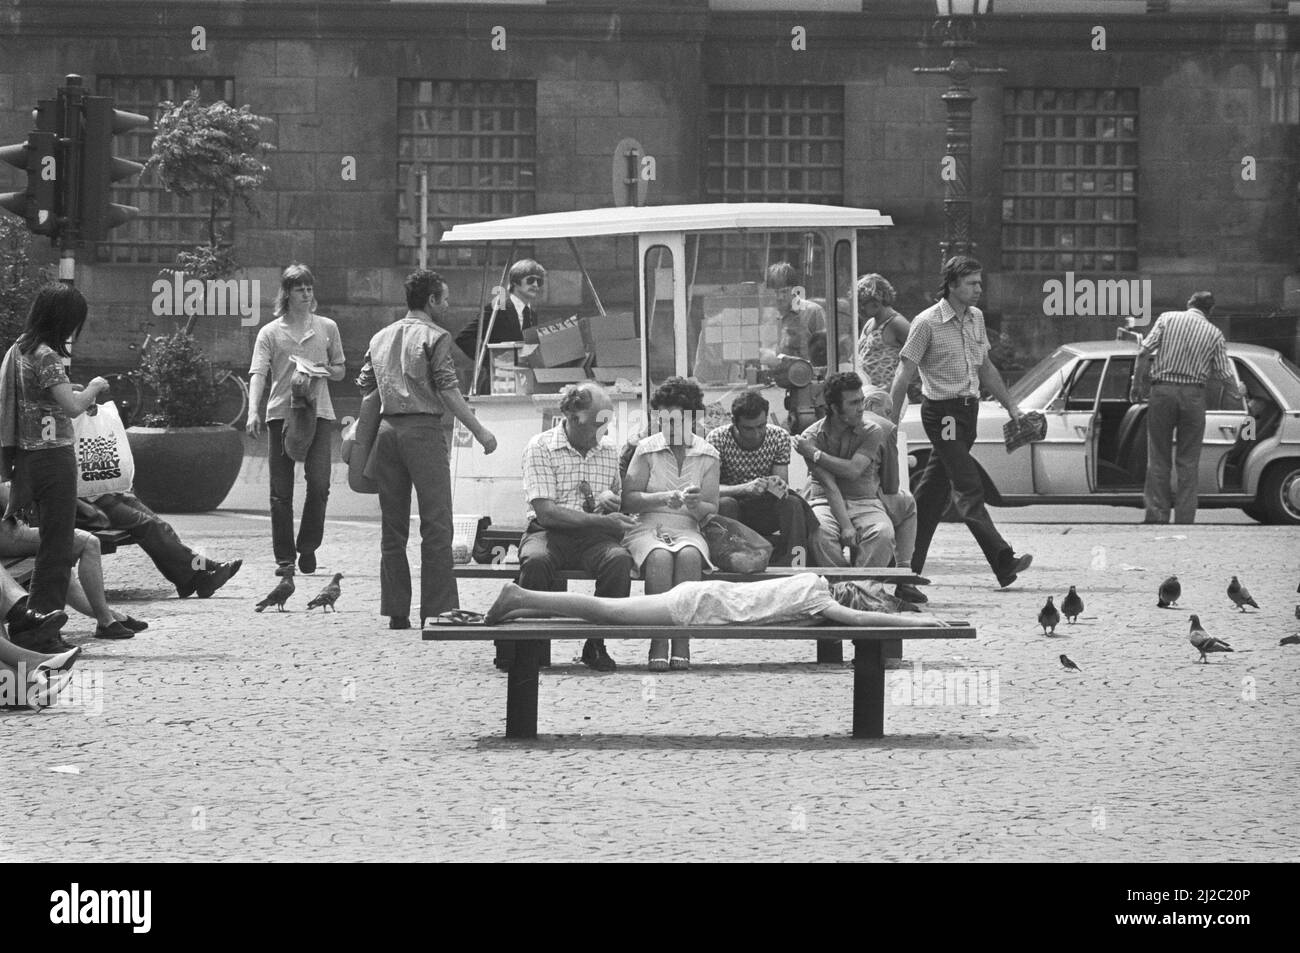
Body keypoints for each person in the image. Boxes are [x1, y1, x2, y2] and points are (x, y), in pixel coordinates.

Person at [357, 269, 498, 629]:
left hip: (388, 432)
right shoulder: (437, 337)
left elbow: (364, 384)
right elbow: (449, 389)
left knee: (393, 526)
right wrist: (480, 431)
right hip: (423, 432)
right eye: (444, 298)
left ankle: (396, 611)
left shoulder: (380, 337)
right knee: (436, 523)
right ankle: (437, 608)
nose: (448, 304)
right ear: (431, 300)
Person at [886, 255, 1033, 589]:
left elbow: (986, 368)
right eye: (972, 283)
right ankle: (1002, 559)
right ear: (952, 285)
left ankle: (903, 569)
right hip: (944, 415)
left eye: (980, 282)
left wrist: (1012, 408)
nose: (979, 289)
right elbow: (903, 372)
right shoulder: (926, 323)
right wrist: (891, 423)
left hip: (968, 412)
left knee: (931, 496)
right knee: (968, 485)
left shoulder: (976, 319)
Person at [503, 382, 637, 673]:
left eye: (608, 423)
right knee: (537, 562)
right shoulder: (541, 447)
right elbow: (547, 513)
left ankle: (597, 643)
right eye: (599, 423)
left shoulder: (608, 451)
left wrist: (613, 504)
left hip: (593, 538)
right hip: (548, 532)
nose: (606, 431)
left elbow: (615, 496)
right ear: (575, 419)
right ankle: (524, 645)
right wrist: (602, 520)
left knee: (618, 561)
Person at [0, 284, 109, 628]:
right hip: (54, 459)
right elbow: (74, 407)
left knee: (51, 541)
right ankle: (41, 622)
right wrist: (94, 387)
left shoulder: (21, 349)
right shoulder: (47, 355)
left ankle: (36, 618)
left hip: (30, 457)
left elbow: (44, 399)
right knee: (58, 546)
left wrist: (69, 391)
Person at [246, 264, 347, 578]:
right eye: (300, 289)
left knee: (319, 484)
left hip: (320, 413)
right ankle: (285, 558)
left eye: (309, 288)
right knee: (280, 490)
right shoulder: (270, 332)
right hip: (281, 413)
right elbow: (258, 373)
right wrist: (253, 411)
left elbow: (342, 369)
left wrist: (323, 370)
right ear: (286, 293)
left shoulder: (327, 327)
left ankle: (308, 546)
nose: (306, 294)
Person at [622, 377, 720, 671]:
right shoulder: (646, 449)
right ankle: (659, 639)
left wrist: (694, 504)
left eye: (676, 420)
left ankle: (682, 639)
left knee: (690, 556)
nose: (668, 427)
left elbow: (710, 507)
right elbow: (628, 500)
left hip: (688, 526)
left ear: (692, 418)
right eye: (662, 420)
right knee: (660, 558)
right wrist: (661, 498)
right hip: (648, 525)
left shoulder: (708, 453)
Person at [484, 574, 948, 630]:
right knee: (606, 611)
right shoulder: (818, 599)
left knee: (604, 612)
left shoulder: (812, 582)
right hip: (696, 606)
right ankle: (520, 595)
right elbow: (860, 623)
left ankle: (523, 607)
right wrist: (923, 625)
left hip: (701, 598)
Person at [1135, 291, 1241, 524]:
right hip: (1194, 396)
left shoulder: (1167, 318)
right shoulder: (1214, 333)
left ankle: (1157, 515)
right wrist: (1237, 393)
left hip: (1162, 392)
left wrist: (1137, 386)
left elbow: (1143, 352)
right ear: (1210, 311)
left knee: (1158, 456)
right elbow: (1224, 373)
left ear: (1188, 304)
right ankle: (1184, 518)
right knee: (1188, 461)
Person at [795, 372, 903, 572]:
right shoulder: (811, 436)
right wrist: (846, 526)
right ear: (835, 408)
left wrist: (816, 454)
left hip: (865, 501)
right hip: (824, 502)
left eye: (862, 401)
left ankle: (859, 587)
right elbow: (828, 484)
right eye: (854, 403)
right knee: (821, 534)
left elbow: (853, 470)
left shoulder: (872, 431)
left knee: (883, 533)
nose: (861, 408)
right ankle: (844, 586)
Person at [0, 502, 147, 640]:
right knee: (87, 542)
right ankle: (106, 619)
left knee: (57, 561)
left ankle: (108, 617)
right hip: (9, 534)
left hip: (15, 529)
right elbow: (10, 499)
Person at [706, 391, 819, 566]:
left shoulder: (778, 436)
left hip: (765, 507)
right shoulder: (717, 439)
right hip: (734, 508)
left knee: (792, 503)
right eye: (748, 428)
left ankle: (798, 562)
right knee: (726, 503)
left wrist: (776, 484)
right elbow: (710, 489)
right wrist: (745, 488)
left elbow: (781, 484)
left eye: (761, 426)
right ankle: (733, 561)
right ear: (734, 423)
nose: (757, 433)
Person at [75, 491, 240, 599]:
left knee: (162, 526)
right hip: (90, 500)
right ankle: (203, 572)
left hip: (112, 491)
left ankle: (192, 579)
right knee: (148, 525)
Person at [859, 386, 924, 604]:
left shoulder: (829, 423)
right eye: (887, 411)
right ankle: (904, 577)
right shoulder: (885, 427)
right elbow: (890, 484)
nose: (889, 416)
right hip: (867, 496)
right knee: (907, 503)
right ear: (870, 405)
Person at [454, 259, 545, 395]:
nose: (536, 285)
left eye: (540, 281)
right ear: (515, 281)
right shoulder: (498, 308)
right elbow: (464, 338)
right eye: (531, 280)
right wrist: (491, 359)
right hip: (495, 384)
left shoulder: (531, 314)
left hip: (521, 386)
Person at [761, 262, 827, 366]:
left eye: (784, 292)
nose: (779, 297)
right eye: (775, 292)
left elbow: (825, 355)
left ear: (795, 289)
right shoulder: (767, 315)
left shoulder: (813, 312)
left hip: (804, 377)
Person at [854, 274, 912, 392]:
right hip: (868, 394)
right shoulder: (870, 322)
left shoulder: (897, 323)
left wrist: (893, 386)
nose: (860, 309)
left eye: (863, 303)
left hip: (888, 396)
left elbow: (920, 359)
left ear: (878, 299)